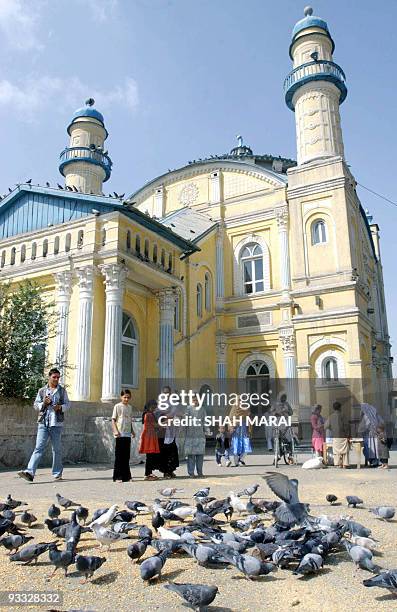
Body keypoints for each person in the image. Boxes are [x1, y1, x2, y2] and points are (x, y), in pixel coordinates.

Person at [18, 368, 70, 483]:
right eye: (54, 377)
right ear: (49, 377)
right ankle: (30, 472)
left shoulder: (62, 391)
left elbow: (68, 404)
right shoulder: (42, 391)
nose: (56, 379)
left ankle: (57, 473)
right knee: (38, 448)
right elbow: (36, 405)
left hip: (56, 424)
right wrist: (44, 403)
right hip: (43, 423)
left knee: (56, 449)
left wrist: (60, 407)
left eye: (58, 377)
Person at [112, 389, 135, 482]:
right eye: (124, 397)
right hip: (120, 434)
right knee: (119, 456)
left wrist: (132, 431)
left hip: (127, 434)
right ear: (121, 397)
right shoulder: (117, 406)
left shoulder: (130, 407)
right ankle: (117, 476)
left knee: (126, 456)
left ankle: (126, 477)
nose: (126, 399)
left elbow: (130, 420)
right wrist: (115, 431)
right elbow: (113, 420)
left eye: (128, 397)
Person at [156, 386, 179, 479]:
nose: (166, 394)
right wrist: (164, 416)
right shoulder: (159, 403)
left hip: (171, 430)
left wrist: (165, 415)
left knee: (172, 451)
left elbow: (173, 414)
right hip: (162, 431)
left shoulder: (173, 403)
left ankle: (171, 470)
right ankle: (165, 471)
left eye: (168, 392)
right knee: (164, 452)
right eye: (164, 392)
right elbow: (157, 414)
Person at [183, 392, 207, 478]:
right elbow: (185, 420)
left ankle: (200, 472)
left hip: (200, 434)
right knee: (191, 455)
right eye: (194, 400)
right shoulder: (188, 409)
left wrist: (207, 430)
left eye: (197, 400)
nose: (195, 402)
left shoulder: (202, 409)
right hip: (190, 434)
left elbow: (205, 421)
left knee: (200, 455)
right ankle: (191, 473)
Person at [324, 401, 350, 468]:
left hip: (335, 436)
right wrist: (348, 435)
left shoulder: (331, 416)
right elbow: (346, 426)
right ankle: (345, 464)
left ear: (333, 408)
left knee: (336, 451)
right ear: (340, 408)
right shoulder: (343, 415)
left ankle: (339, 464)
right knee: (345, 451)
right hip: (343, 435)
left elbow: (326, 426)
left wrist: (332, 428)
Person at [139, 399, 160, 480]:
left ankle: (149, 473)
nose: (154, 409)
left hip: (148, 436)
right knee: (150, 457)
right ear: (149, 407)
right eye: (153, 407)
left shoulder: (147, 414)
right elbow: (155, 425)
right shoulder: (149, 415)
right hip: (150, 437)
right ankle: (147, 474)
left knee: (150, 456)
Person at [229, 396, 252, 467]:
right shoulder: (233, 410)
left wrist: (250, 430)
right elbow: (230, 419)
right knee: (236, 447)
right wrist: (231, 427)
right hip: (236, 431)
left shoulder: (245, 409)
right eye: (238, 400)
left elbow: (249, 419)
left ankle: (241, 459)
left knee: (246, 446)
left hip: (244, 431)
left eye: (241, 400)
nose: (239, 402)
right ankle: (236, 462)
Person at [271, 393, 294, 464]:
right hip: (278, 424)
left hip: (286, 425)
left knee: (289, 439)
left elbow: (291, 412)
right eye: (282, 397)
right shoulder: (275, 404)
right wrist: (276, 413)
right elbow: (271, 412)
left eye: (285, 397)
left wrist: (286, 411)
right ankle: (278, 455)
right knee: (276, 439)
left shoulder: (287, 404)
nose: (283, 399)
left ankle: (289, 454)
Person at [358, 403, 384, 467]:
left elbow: (362, 427)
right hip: (377, 434)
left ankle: (373, 462)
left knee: (368, 449)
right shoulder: (375, 414)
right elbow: (382, 422)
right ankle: (378, 461)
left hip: (369, 435)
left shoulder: (366, 416)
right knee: (376, 448)